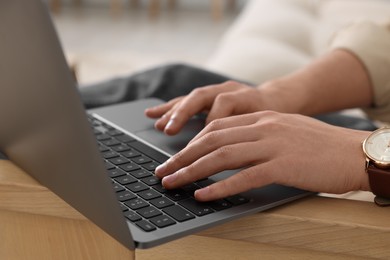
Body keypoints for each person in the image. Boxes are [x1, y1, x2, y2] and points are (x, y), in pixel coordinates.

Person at [80, 21, 390, 203]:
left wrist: (355, 155)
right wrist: (276, 96)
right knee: (176, 84)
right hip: (375, 135)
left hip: (371, 163)